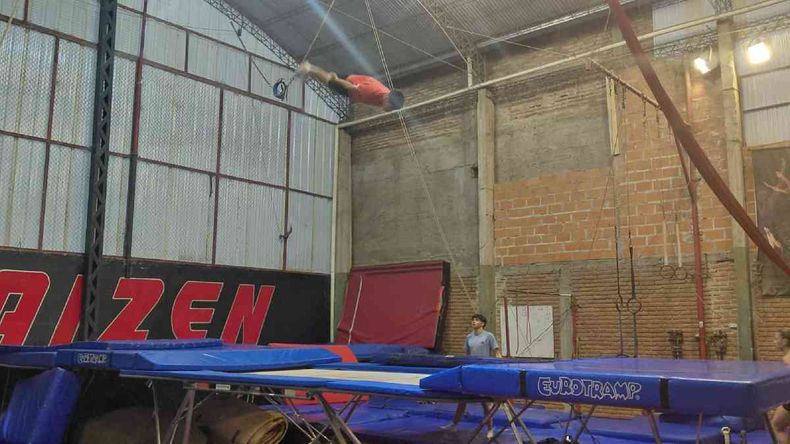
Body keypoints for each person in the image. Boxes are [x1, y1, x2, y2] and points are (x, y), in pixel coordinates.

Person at [442, 314, 501, 439]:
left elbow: (496, 351)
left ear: (483, 323)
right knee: (462, 400)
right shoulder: (469, 337)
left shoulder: (489, 336)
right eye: (473, 320)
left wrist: (499, 365)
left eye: (477, 320)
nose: (474, 322)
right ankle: (454, 424)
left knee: (484, 402)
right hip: (471, 371)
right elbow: (467, 355)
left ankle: (490, 429)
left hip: (484, 371)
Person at [296, 61, 405, 111]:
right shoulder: (372, 91)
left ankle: (310, 72)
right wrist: (337, 80)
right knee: (329, 79)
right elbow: (350, 87)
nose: (389, 110)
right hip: (349, 83)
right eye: (390, 108)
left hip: (353, 91)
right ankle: (309, 67)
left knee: (327, 82)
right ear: (387, 99)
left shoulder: (383, 99)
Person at [771, 330, 790, 443]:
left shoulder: (787, 360)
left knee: (776, 426)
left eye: (776, 339)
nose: (774, 342)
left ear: (784, 341)